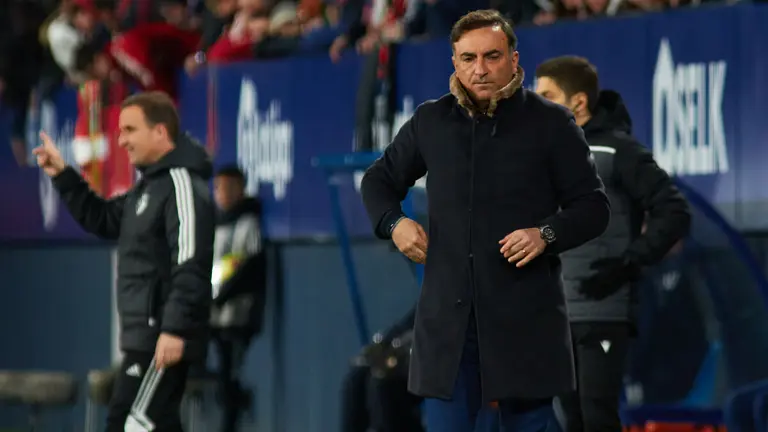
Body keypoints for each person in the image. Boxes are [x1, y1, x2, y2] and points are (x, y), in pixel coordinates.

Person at [360, 9, 611, 432]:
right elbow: (378, 181)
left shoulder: (551, 123)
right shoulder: (430, 121)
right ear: (454, 63)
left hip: (525, 321)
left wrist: (545, 234)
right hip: (450, 327)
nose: (480, 69)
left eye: (492, 56)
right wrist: (393, 223)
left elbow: (593, 206)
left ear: (514, 59)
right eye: (468, 58)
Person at [33, 91, 215, 431]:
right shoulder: (146, 189)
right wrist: (62, 174)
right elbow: (102, 218)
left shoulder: (181, 184)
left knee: (132, 425)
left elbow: (191, 264)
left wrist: (175, 329)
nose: (121, 140)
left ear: (160, 132)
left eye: (130, 130)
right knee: (140, 424)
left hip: (162, 339)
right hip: (140, 341)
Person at [534, 56, 691, 432]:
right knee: (570, 417)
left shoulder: (619, 151)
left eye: (547, 96)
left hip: (605, 309)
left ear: (579, 103)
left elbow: (674, 212)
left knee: (596, 413)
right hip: (556, 314)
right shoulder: (543, 155)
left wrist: (628, 263)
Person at [210, 165, 268, 432]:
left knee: (233, 378)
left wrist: (224, 294)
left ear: (241, 189)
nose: (223, 193)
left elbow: (251, 266)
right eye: (219, 187)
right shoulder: (216, 224)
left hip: (240, 315)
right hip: (216, 317)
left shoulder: (249, 223)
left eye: (229, 187)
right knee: (223, 381)